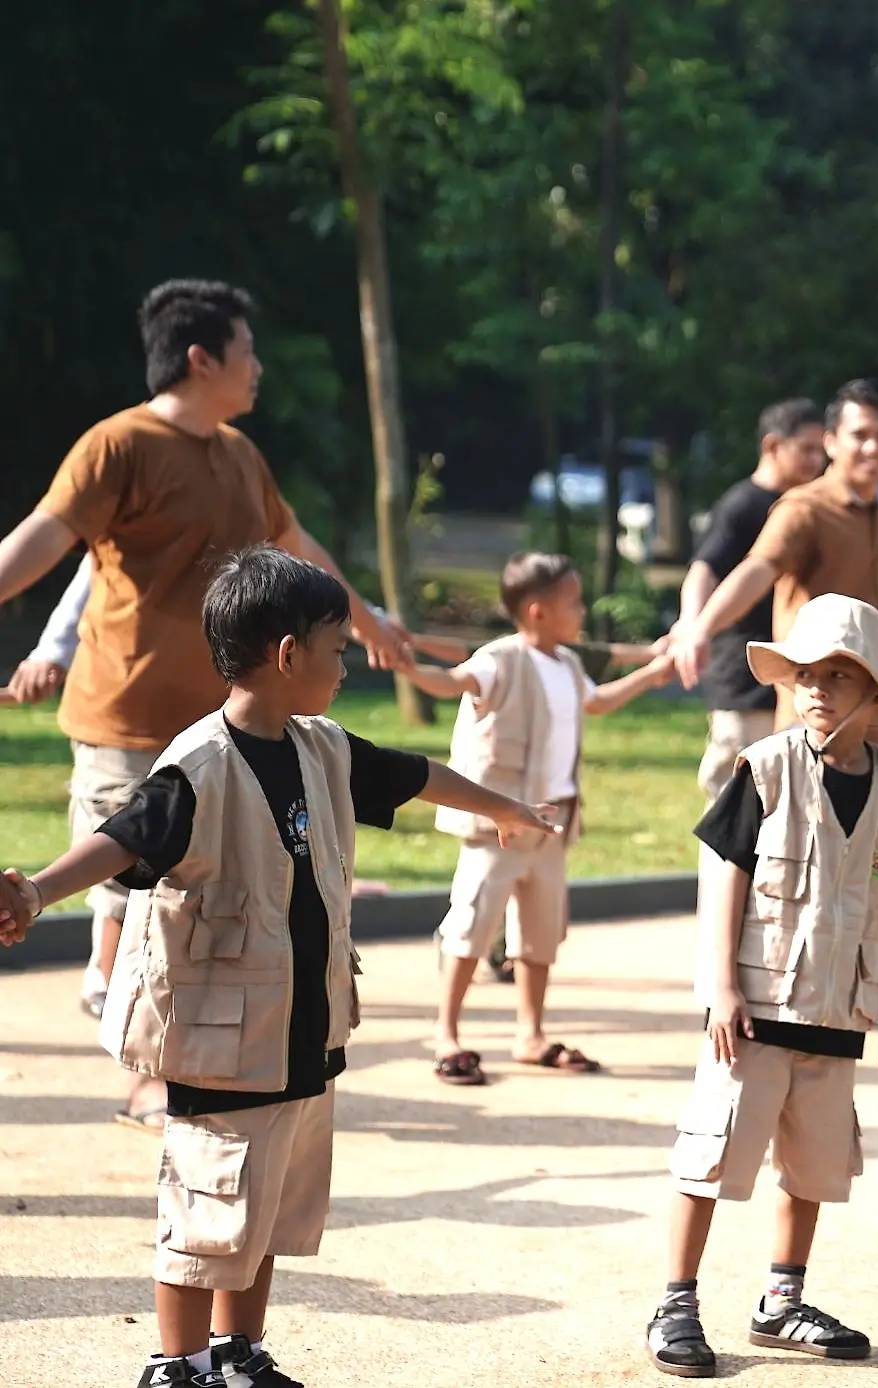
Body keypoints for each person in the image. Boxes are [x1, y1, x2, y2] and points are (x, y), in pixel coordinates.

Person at [0, 547, 552, 1388]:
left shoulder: (319, 745)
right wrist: (36, 891)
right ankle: (176, 1366)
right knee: (206, 1205)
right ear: (287, 654)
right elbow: (125, 840)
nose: (344, 665)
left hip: (299, 1027)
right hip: (220, 1038)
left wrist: (505, 806)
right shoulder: (199, 766)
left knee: (263, 1208)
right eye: (336, 649)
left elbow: (413, 775)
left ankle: (240, 1354)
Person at [0, 279, 407, 1130]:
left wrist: (372, 625)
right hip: (123, 722)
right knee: (139, 902)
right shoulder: (118, 445)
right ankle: (148, 1074)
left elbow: (298, 550)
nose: (257, 367)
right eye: (248, 350)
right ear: (202, 357)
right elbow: (46, 534)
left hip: (222, 737)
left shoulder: (238, 455)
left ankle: (166, 1061)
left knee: (189, 910)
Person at [648, 594, 878, 1375]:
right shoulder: (765, 770)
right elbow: (723, 874)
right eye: (806, 673)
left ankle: (782, 1301)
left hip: (839, 1012)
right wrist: (721, 988)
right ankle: (675, 1302)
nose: (816, 689)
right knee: (709, 1154)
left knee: (813, 1164)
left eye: (838, 676)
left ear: (876, 695)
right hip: (756, 1011)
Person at [398, 553, 675, 1084]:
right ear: (537, 611)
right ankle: (446, 1031)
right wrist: (411, 670)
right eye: (573, 601)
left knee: (540, 934)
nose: (582, 610)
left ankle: (531, 1032)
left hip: (552, 823)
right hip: (497, 826)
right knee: (473, 923)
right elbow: (453, 681)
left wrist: (651, 674)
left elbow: (597, 702)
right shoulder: (499, 659)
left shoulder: (568, 665)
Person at [669, 378, 878, 743]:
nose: (874, 447)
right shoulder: (803, 508)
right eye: (860, 435)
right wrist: (701, 628)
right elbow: (758, 569)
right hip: (813, 718)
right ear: (831, 441)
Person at [676, 398, 829, 811]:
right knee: (736, 800)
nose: (816, 461)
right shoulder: (744, 504)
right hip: (744, 679)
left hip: (793, 674)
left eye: (822, 451)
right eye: (806, 449)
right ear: (772, 445)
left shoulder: (813, 507)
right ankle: (723, 877)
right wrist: (692, 626)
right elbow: (703, 569)